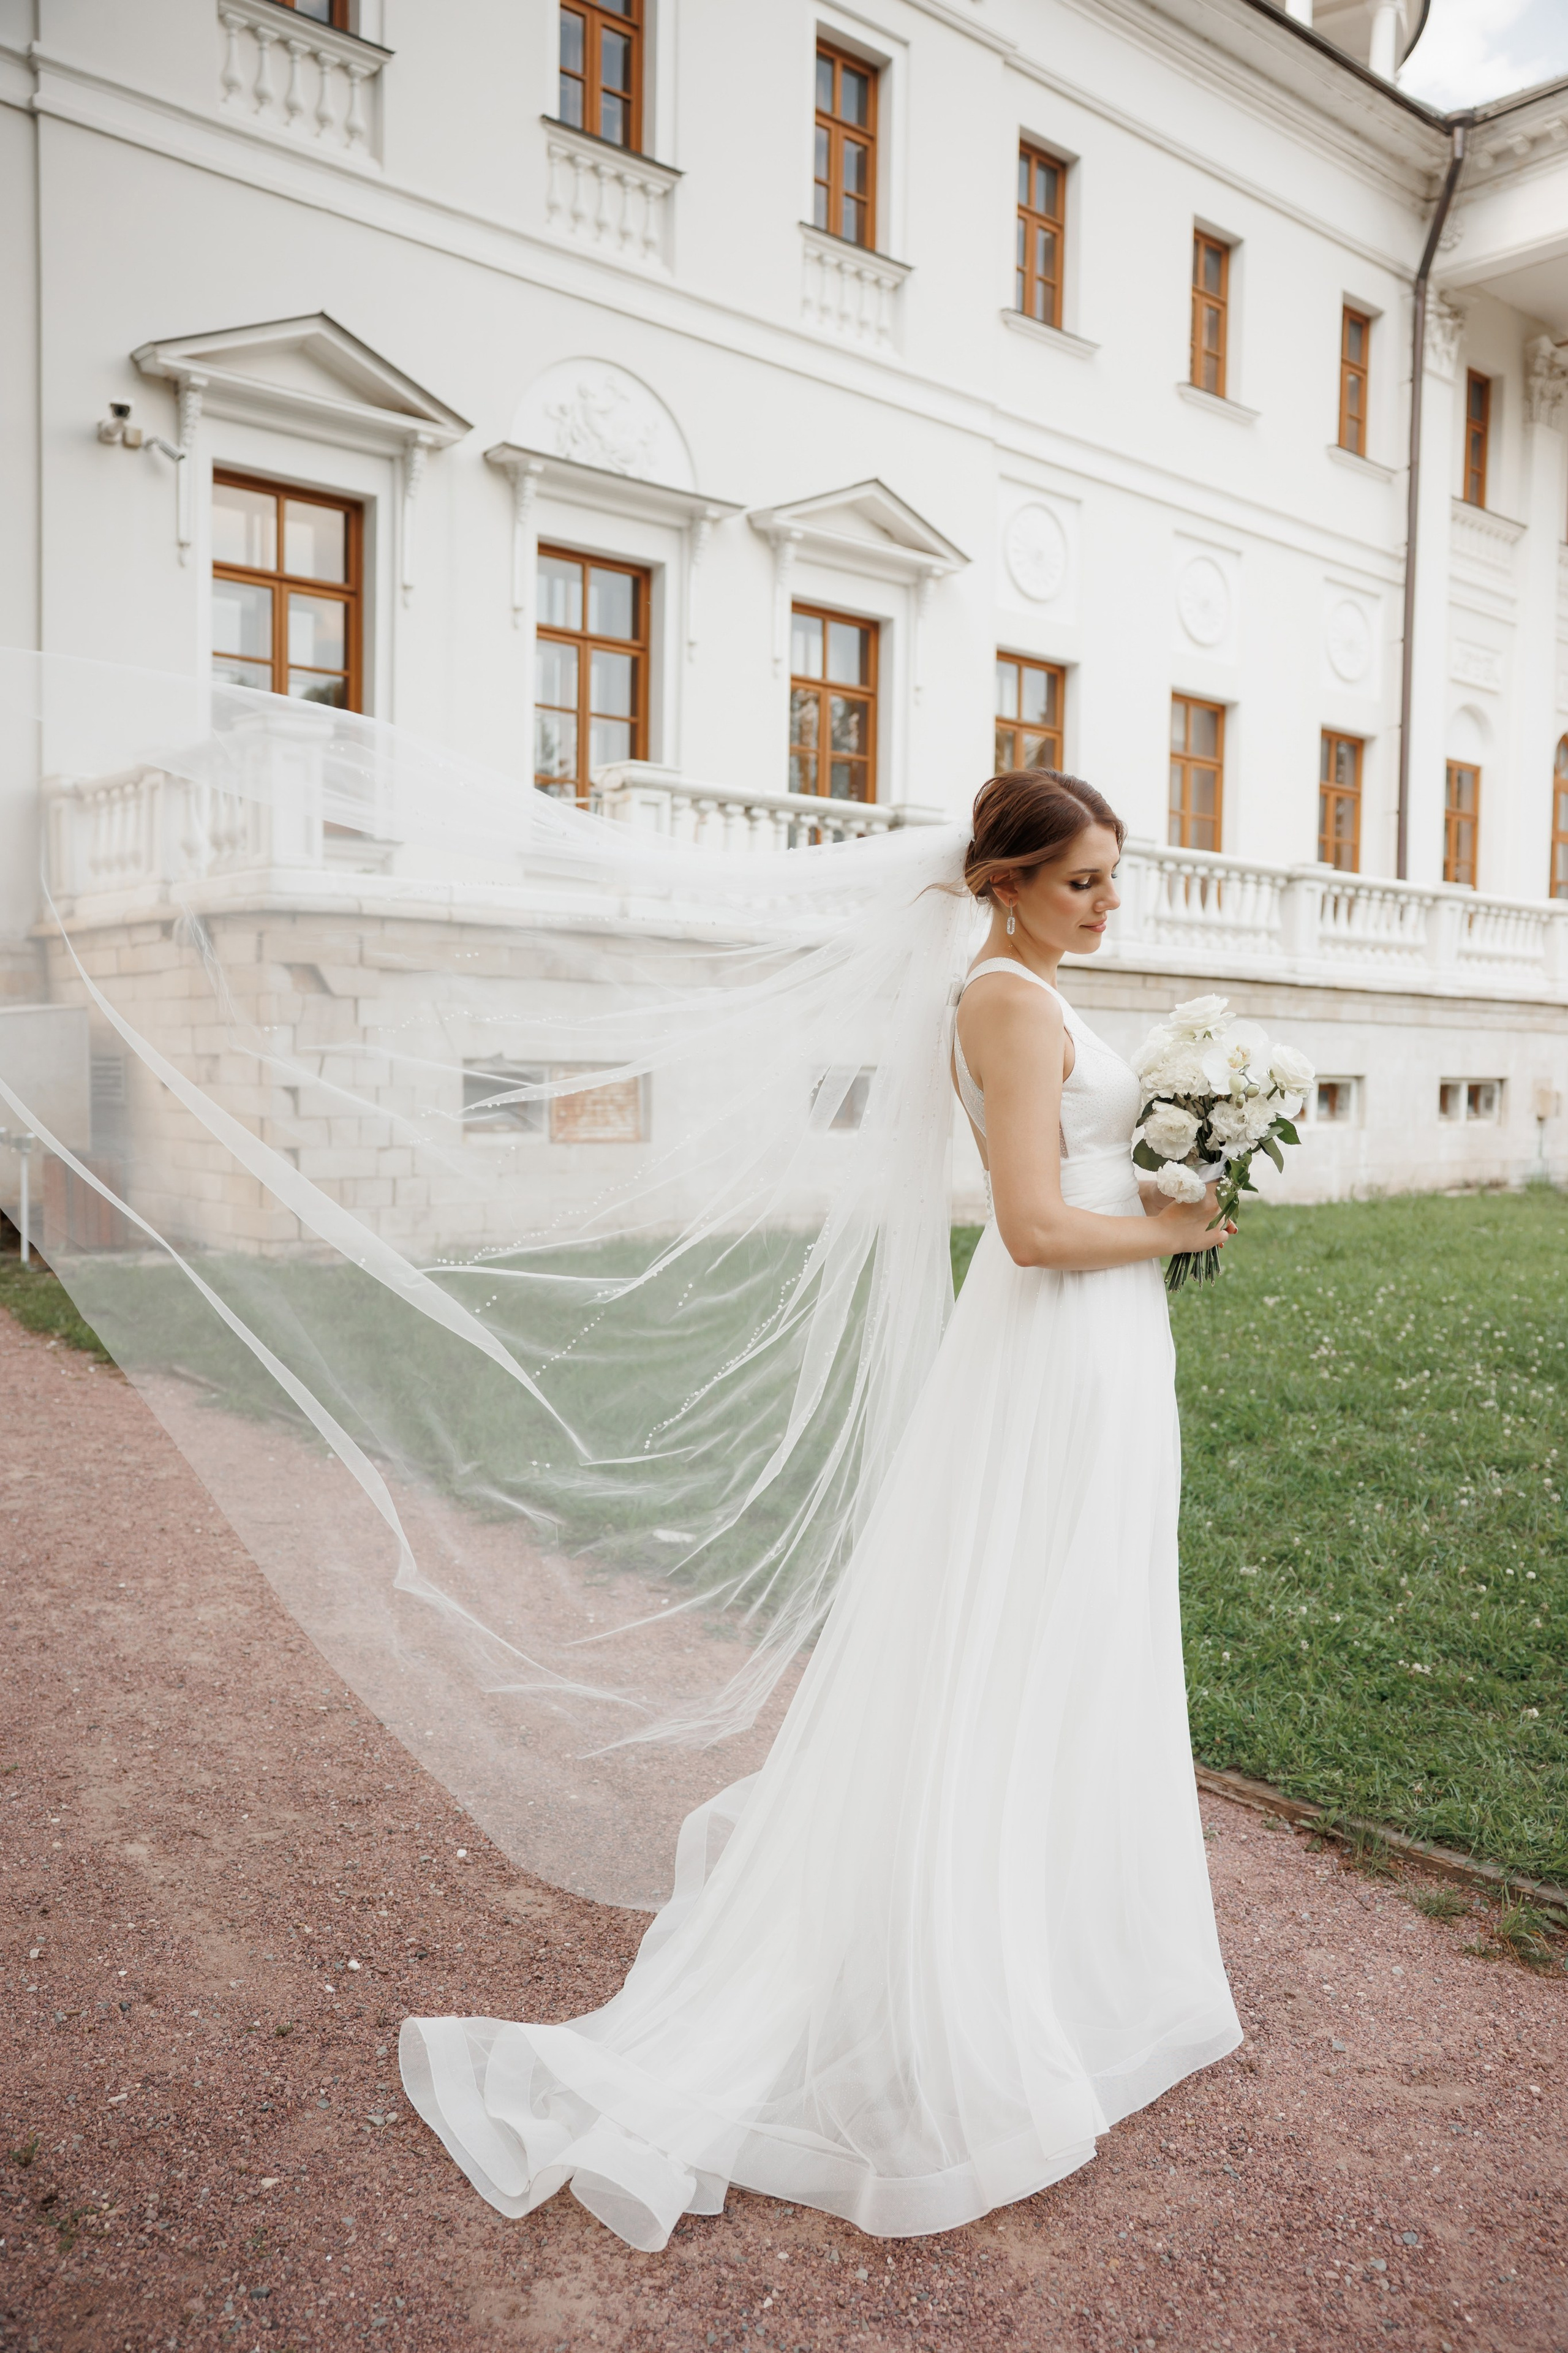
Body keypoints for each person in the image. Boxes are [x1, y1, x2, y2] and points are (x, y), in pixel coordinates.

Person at [399, 769, 1243, 2251]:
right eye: (1081, 882)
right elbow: (1036, 1226)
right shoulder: (1004, 1002)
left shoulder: (1033, 986)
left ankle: (1056, 1946)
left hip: (1102, 1352)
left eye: (1115, 875)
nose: (1110, 902)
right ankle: (965, 1969)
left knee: (1076, 1629)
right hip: (1056, 1345)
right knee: (1017, 1631)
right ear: (1001, 884)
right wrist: (1172, 1224)